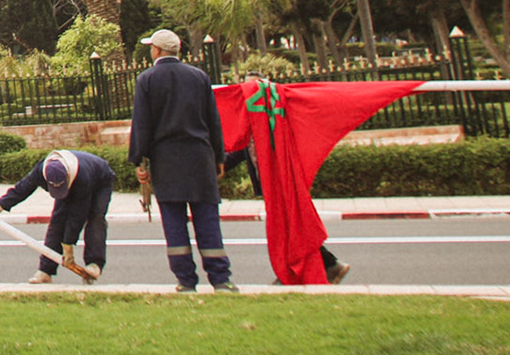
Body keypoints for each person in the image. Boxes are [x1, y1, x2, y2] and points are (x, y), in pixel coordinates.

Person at [128, 28, 236, 293]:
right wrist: (219, 156)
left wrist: (138, 162)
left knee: (175, 223)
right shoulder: (199, 77)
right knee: (208, 220)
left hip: (167, 161)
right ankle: (220, 279)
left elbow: (142, 125)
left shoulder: (147, 79)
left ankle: (186, 280)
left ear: (156, 50)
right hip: (200, 157)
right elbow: (213, 121)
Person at [0, 148, 113, 284]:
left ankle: (94, 263)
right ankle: (45, 271)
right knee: (57, 222)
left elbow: (77, 216)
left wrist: (68, 246)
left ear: (66, 177)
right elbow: (22, 188)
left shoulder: (82, 178)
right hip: (74, 181)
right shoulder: (40, 171)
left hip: (100, 181)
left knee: (95, 217)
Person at [223, 142, 350, 284]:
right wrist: (215, 164)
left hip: (280, 179)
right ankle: (327, 264)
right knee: (289, 228)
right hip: (269, 182)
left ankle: (301, 271)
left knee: (289, 228)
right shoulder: (254, 127)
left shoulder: (268, 122)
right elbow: (240, 150)